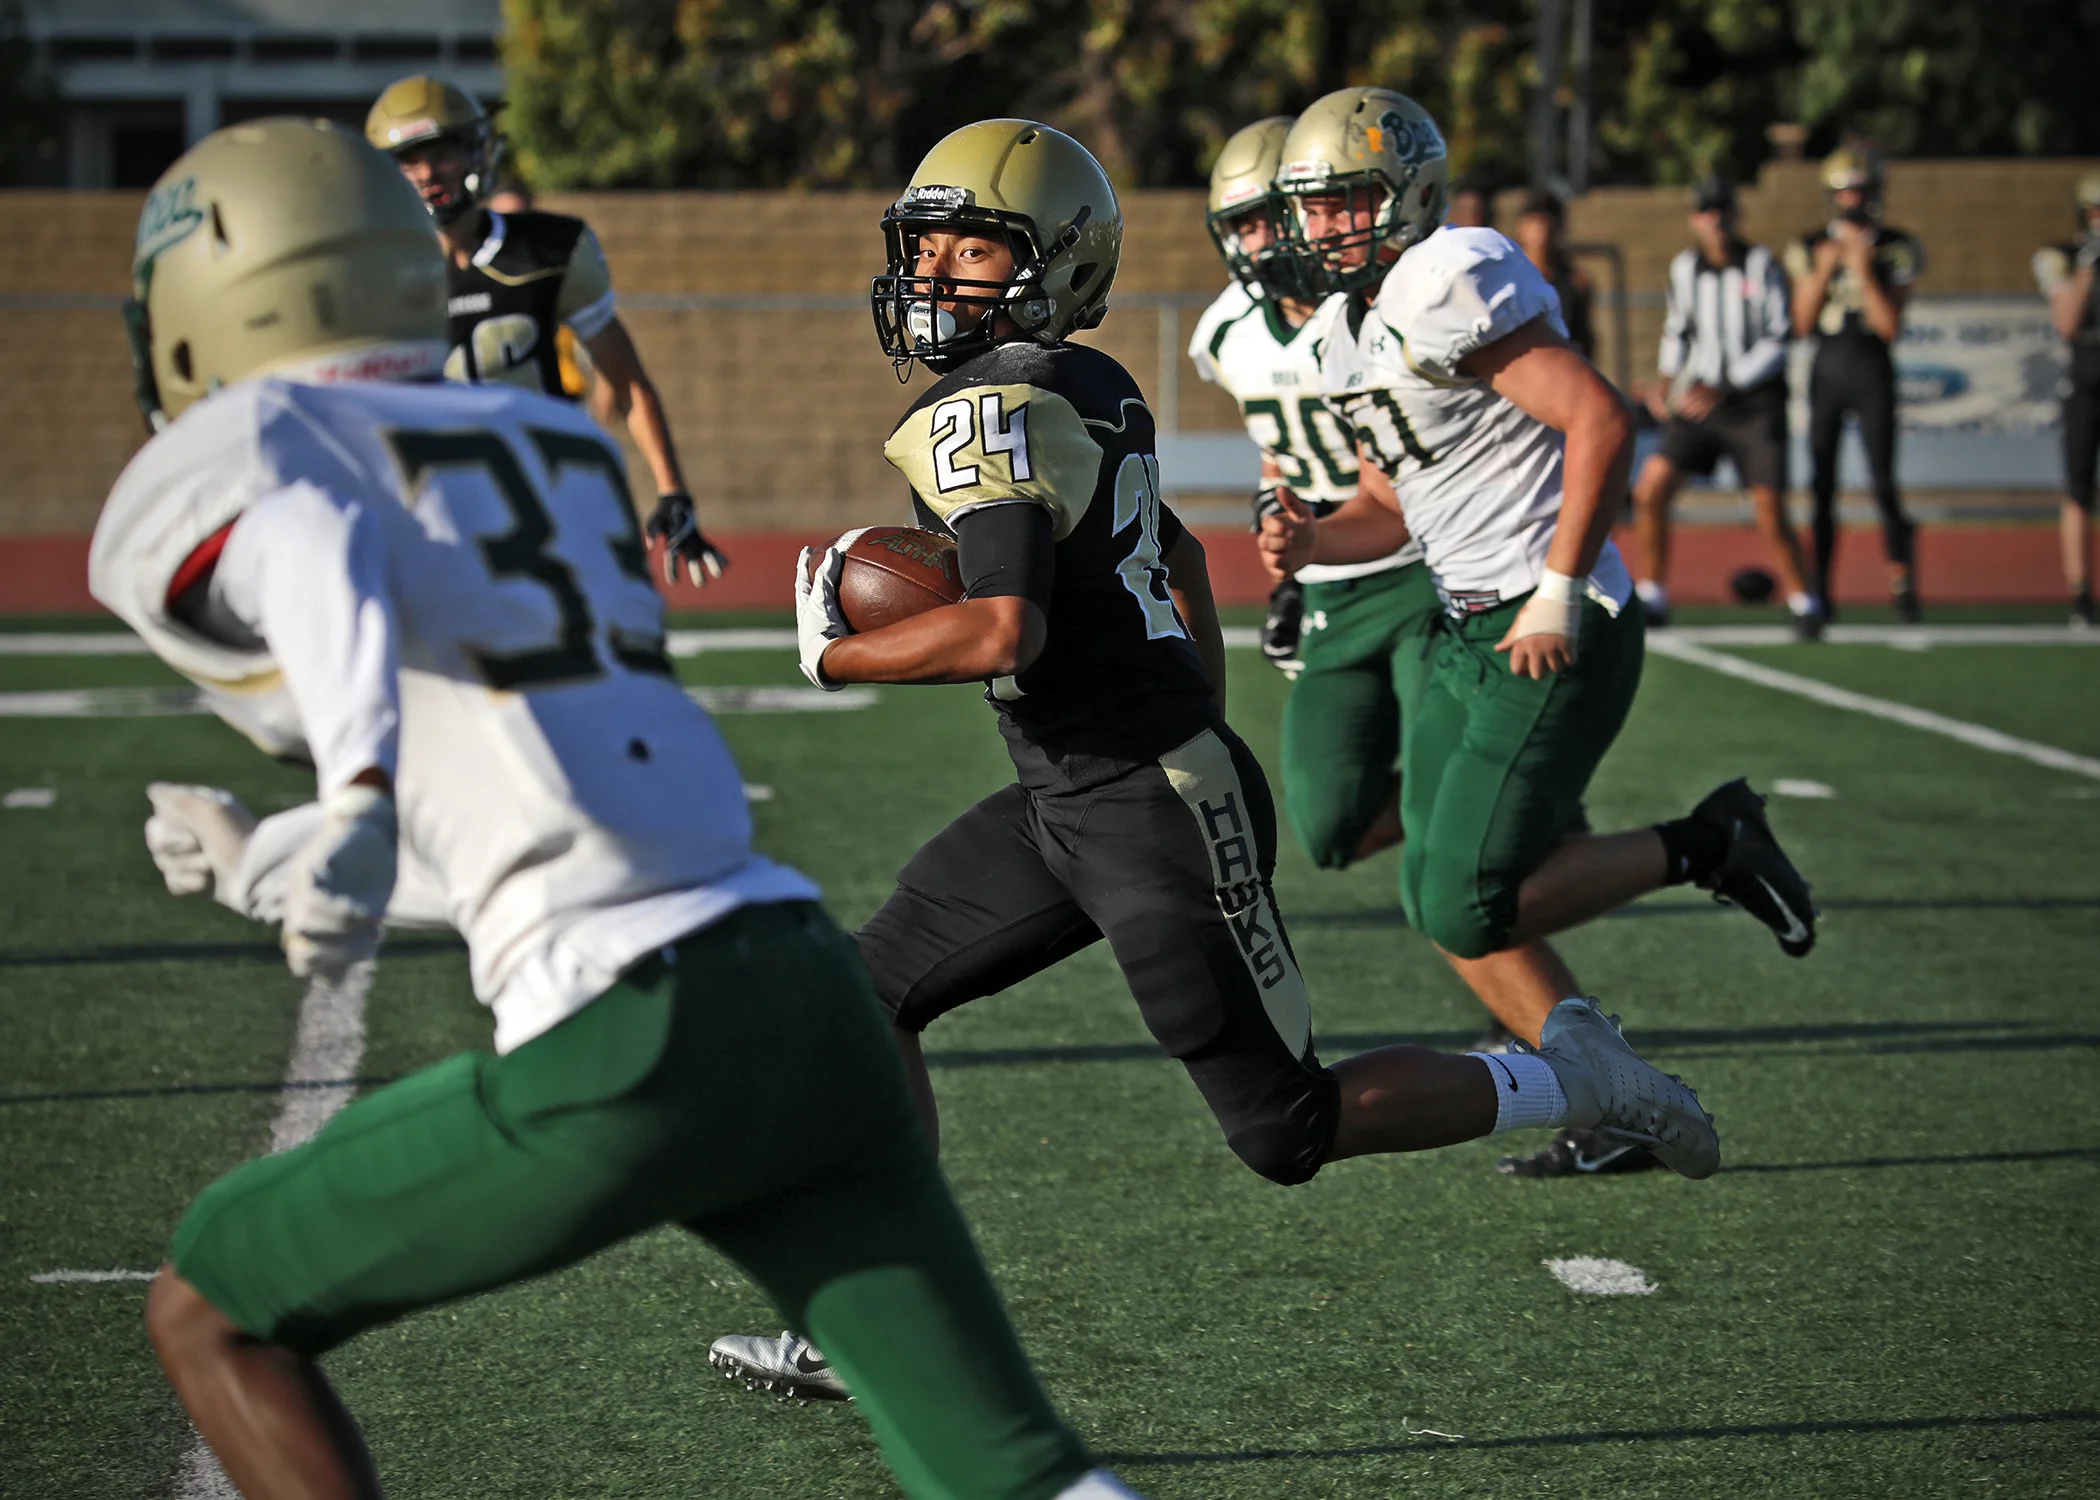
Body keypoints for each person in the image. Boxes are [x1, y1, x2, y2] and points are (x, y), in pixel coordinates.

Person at [95, 117, 1147, 1500]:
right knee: (1015, 1475)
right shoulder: (552, 442)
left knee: (208, 1308)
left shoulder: (256, 444)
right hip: (800, 986)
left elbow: (312, 537)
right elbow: (549, 800)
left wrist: (350, 787)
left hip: (628, 1033)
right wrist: (268, 860)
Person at [706, 117, 1724, 1398]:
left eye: (977, 247)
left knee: (1286, 1129)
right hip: (1071, 790)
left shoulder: (986, 408)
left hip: (1149, 810)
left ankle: (1572, 1074)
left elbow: (1002, 624)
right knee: (868, 993)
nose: (939, 273)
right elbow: (1177, 554)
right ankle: (878, 1327)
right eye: (930, 244)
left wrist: (835, 656)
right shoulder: (1092, 382)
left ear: (1056, 263)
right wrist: (1193, 701)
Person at [1259, 87, 1817, 1179]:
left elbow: (1600, 415)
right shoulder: (1342, 331)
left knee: (1461, 900)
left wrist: (1561, 585)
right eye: (1312, 210)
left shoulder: (1445, 275)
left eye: (1348, 203)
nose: (1326, 228)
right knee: (1447, 893)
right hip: (1464, 623)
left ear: (1412, 195)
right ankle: (1613, 1093)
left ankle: (1707, 848)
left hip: (1545, 623)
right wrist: (1311, 541)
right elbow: (1390, 501)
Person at [1189, 116, 1434, 877]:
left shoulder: (1372, 305)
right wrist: (1285, 576)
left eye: (1269, 219)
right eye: (1242, 226)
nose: (1260, 243)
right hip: (1330, 575)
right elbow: (1280, 456)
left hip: (1423, 561)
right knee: (1330, 827)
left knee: (1453, 800)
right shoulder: (1226, 332)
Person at [365, 75, 726, 588]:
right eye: (409, 159)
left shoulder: (546, 251)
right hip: (427, 505)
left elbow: (627, 382)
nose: (426, 173)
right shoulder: (369, 273)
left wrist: (673, 491)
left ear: (474, 151)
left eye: (441, 152)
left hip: (539, 494)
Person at [1631, 175, 1817, 635]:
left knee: (1769, 508)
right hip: (1700, 402)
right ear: (1696, 219)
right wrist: (1668, 382)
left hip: (1753, 404)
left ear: (1736, 216)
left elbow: (1780, 337)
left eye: (1722, 212)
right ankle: (1652, 594)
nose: (1715, 222)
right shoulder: (1685, 269)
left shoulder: (1761, 265)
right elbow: (1678, 330)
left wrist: (1728, 384)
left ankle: (1805, 600)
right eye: (1706, 212)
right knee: (1651, 489)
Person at [1784, 144, 1926, 622]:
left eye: (1860, 190)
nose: (1853, 200)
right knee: (1821, 482)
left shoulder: (1895, 247)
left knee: (1884, 481)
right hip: (1828, 364)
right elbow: (1801, 321)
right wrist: (1827, 267)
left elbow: (1889, 327)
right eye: (1844, 192)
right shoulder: (1809, 247)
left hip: (1871, 364)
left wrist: (1863, 270)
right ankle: (1821, 587)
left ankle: (1902, 581)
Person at [2035, 169, 2100, 626]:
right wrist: (2090, 267)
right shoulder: (2062, 257)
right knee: (2078, 487)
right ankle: (2080, 593)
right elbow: (2067, 322)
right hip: (2086, 377)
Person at [1510, 189, 1595, 360]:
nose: (1541, 229)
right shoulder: (1508, 280)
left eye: (1545, 222)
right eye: (1534, 221)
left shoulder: (1574, 284)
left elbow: (1583, 341)